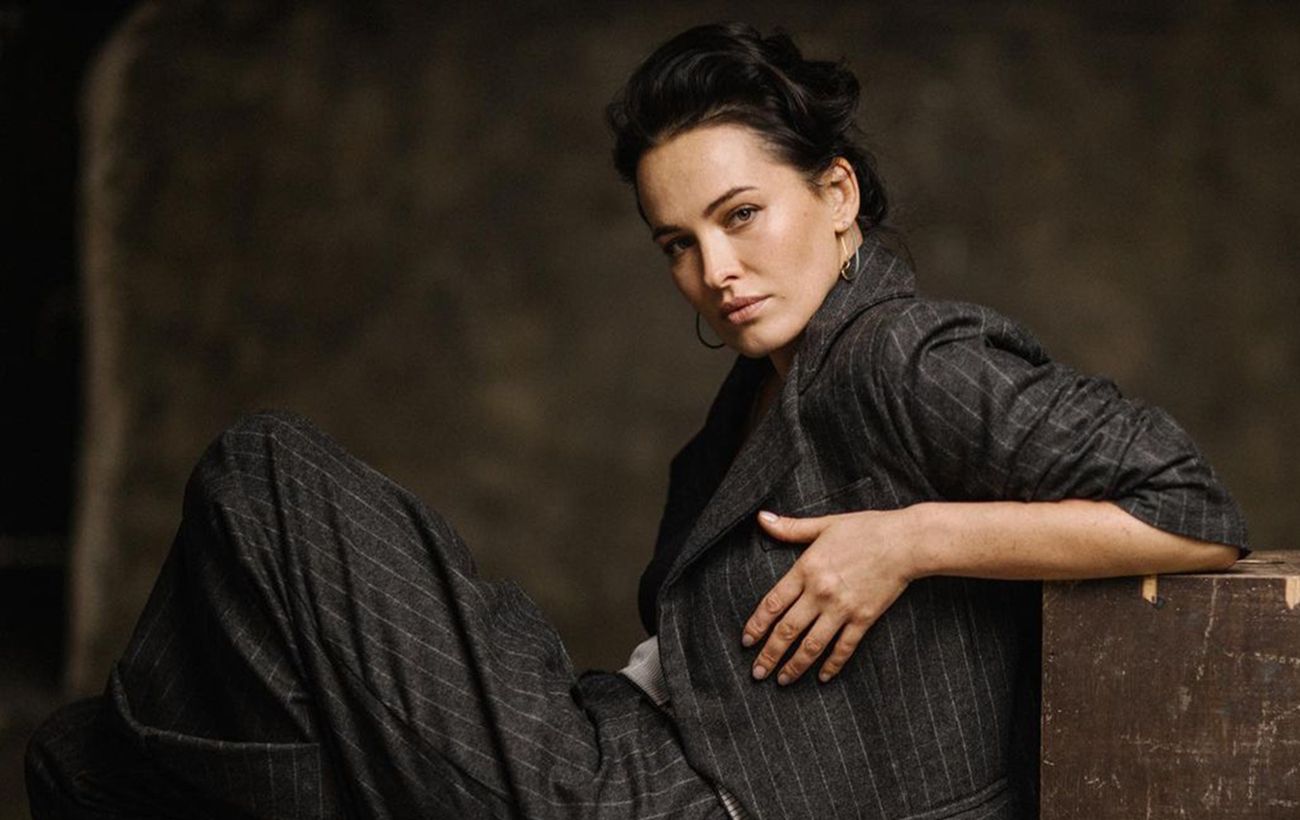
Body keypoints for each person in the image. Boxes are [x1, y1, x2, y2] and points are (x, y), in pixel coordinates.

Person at [27, 21, 1246, 820]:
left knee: (265, 468)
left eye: (739, 216)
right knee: (86, 763)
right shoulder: (762, 391)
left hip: (673, 801)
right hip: (613, 737)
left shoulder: (898, 352)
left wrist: (909, 539)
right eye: (677, 243)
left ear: (836, 192)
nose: (713, 271)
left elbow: (1188, 509)